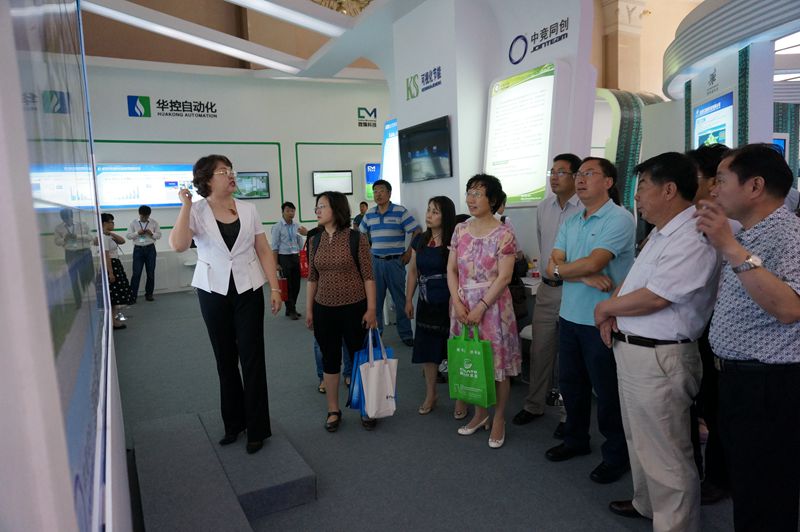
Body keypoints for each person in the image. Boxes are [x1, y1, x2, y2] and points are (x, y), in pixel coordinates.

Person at [593, 152, 721, 530]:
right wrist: (614, 312)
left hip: (660, 357)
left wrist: (605, 308)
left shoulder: (694, 234)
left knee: (667, 453)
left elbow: (657, 297)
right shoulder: (661, 232)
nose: (636, 196)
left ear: (669, 190)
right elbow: (636, 282)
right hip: (634, 350)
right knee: (640, 440)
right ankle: (647, 504)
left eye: (643, 186)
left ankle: (675, 524)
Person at [695, 143, 800, 532]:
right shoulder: (751, 235)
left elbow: (789, 308)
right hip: (741, 380)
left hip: (770, 386)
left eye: (721, 180)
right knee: (749, 486)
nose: (713, 189)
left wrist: (729, 247)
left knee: (766, 492)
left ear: (755, 186)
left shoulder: (789, 234)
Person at [169, 154, 282, 455]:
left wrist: (275, 288)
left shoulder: (248, 209)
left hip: (248, 288)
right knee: (225, 359)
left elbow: (263, 249)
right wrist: (185, 205)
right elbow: (178, 245)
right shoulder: (196, 211)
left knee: (253, 358)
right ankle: (234, 424)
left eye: (231, 170)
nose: (231, 175)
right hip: (213, 289)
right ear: (207, 179)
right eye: (223, 171)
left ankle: (257, 428)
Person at [544, 157, 635, 484]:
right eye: (579, 174)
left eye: (589, 174)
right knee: (572, 385)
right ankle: (576, 439)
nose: (580, 179)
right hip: (569, 316)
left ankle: (616, 456)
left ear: (608, 182)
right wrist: (581, 275)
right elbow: (550, 266)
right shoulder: (572, 221)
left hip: (602, 320)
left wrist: (568, 270)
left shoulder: (619, 218)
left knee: (607, 393)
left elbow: (595, 262)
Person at [448, 174, 522, 449]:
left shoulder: (504, 233)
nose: (471, 198)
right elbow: (451, 269)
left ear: (492, 200)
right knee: (472, 360)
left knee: (498, 365)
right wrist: (457, 303)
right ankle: (480, 414)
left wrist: (481, 306)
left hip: (493, 308)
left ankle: (499, 417)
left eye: (478, 193)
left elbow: (504, 277)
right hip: (463, 303)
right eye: (469, 192)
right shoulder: (460, 230)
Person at [512, 154, 583, 441]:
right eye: (552, 172)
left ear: (576, 176)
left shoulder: (585, 208)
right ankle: (534, 405)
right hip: (547, 289)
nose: (554, 177)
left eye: (561, 172)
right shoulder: (543, 207)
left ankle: (568, 414)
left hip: (576, 289)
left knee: (569, 356)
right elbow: (544, 246)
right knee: (540, 350)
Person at [306, 191, 377, 432]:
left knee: (360, 359)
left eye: (322, 206)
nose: (317, 210)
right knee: (330, 359)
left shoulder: (357, 238)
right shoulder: (314, 240)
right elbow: (312, 278)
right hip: (323, 309)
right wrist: (309, 309)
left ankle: (367, 407)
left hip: (354, 308)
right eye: (317, 206)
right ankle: (333, 409)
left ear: (336, 210)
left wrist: (372, 308)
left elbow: (368, 276)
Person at [686, 142, 732, 505]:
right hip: (694, 327)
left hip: (718, 329)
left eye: (694, 176)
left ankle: (717, 477)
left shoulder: (729, 225)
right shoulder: (688, 218)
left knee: (716, 408)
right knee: (695, 405)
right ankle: (695, 475)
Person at [405, 196, 456, 415]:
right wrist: (408, 299)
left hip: (449, 302)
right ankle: (431, 394)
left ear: (446, 216)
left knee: (452, 350)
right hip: (426, 301)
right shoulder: (420, 240)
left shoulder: (454, 240)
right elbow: (413, 271)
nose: (429, 215)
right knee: (427, 350)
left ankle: (460, 397)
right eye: (428, 210)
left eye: (435, 212)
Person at [359, 179, 420, 346]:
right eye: (375, 191)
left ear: (389, 193)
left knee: (400, 300)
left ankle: (406, 334)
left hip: (395, 262)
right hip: (375, 263)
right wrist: (367, 250)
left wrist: (409, 251)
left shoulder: (400, 211)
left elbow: (417, 230)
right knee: (375, 301)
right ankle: (376, 335)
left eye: (381, 191)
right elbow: (361, 233)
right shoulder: (369, 214)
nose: (378, 194)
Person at [271, 201, 307, 320]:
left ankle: (291, 308)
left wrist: (300, 254)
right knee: (288, 286)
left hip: (295, 256)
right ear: (283, 212)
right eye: (288, 210)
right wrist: (276, 263)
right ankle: (291, 309)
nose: (290, 213)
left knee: (296, 284)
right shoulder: (277, 227)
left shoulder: (297, 225)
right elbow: (274, 247)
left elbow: (300, 241)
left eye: (292, 211)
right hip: (284, 257)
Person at [54, 208, 95, 308]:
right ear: (62, 218)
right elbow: (57, 242)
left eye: (69, 217)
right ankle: (79, 304)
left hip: (84, 252)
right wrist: (65, 238)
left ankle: (91, 301)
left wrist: (77, 236)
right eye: (65, 219)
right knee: (73, 279)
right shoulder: (59, 228)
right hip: (70, 253)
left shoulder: (82, 224)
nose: (67, 220)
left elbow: (90, 237)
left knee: (87, 277)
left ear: (72, 216)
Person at [100, 213, 132, 329]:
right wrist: (111, 273)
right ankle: (112, 322)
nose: (113, 224)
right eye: (111, 222)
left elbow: (122, 241)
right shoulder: (103, 237)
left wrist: (110, 233)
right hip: (111, 265)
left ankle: (113, 320)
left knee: (114, 296)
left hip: (115, 264)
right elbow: (106, 256)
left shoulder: (108, 236)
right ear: (104, 223)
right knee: (112, 296)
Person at [126, 205, 161, 303]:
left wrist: (151, 233)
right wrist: (137, 233)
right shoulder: (133, 223)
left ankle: (149, 294)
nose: (145, 218)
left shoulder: (154, 222)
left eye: (146, 216)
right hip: (138, 249)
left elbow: (159, 236)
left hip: (150, 249)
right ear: (139, 214)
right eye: (143, 216)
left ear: (149, 215)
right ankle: (133, 296)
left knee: (150, 273)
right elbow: (128, 236)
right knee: (136, 274)